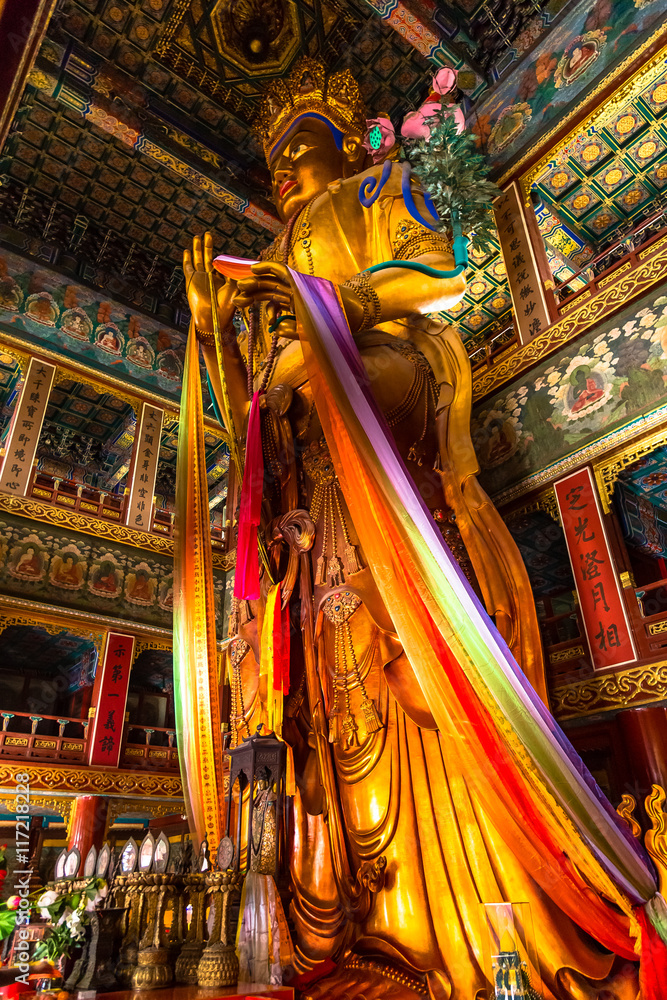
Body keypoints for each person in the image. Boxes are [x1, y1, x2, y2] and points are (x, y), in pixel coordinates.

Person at [184, 57, 640, 999]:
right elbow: (251, 418)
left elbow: (442, 274)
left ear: (342, 143)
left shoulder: (370, 192)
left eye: (296, 145)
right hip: (310, 499)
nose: (281, 166)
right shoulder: (270, 262)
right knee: (320, 704)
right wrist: (212, 331)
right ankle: (345, 917)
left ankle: (466, 925)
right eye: (270, 157)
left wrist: (329, 305)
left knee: (405, 674)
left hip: (372, 444)